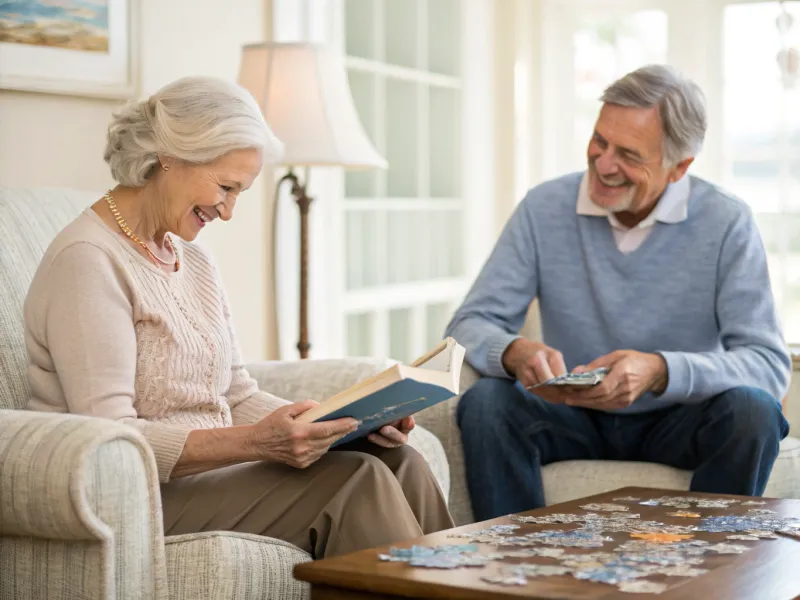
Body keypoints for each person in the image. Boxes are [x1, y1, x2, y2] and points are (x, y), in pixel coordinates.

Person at [24, 75, 454, 558]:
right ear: (170, 157)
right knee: (357, 481)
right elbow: (111, 442)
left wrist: (337, 424)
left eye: (240, 193)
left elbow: (235, 392)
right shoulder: (89, 261)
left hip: (213, 478)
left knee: (396, 459)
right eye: (226, 187)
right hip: (134, 497)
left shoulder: (192, 259)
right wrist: (256, 442)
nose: (227, 212)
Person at [445, 64, 791, 521]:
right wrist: (512, 350)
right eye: (599, 141)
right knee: (487, 403)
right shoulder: (543, 207)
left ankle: (706, 575)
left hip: (679, 418)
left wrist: (660, 370)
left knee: (753, 412)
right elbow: (468, 325)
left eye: (628, 154)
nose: (604, 164)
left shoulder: (727, 222)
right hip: (571, 413)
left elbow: (768, 366)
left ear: (678, 167)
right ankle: (518, 573)